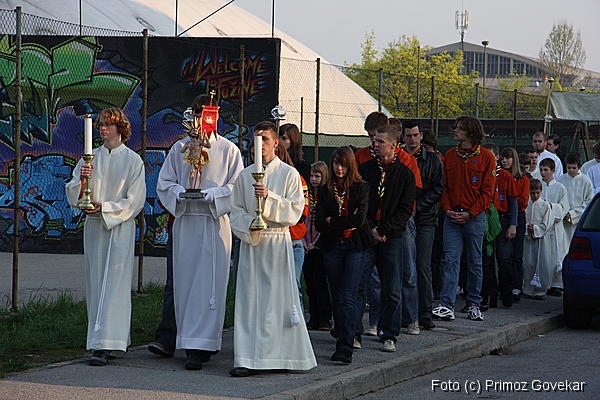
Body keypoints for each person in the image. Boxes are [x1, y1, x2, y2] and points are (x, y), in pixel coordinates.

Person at [156, 94, 244, 370]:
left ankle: (204, 344)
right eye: (197, 113)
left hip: (212, 222)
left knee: (209, 286)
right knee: (185, 283)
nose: (201, 119)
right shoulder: (180, 148)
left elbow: (237, 186)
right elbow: (164, 182)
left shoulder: (228, 150)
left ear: (215, 116)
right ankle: (187, 341)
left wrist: (213, 195)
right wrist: (179, 193)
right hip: (186, 222)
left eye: (206, 113)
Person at [229, 121, 316, 377]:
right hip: (253, 244)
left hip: (278, 242)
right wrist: (250, 224)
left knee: (277, 302)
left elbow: (295, 211)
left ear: (276, 143)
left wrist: (269, 198)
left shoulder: (289, 174)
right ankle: (247, 358)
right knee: (250, 301)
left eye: (265, 139)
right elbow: (235, 211)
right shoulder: (244, 176)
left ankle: (282, 356)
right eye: (256, 139)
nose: (259, 145)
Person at [65, 107, 146, 366]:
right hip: (94, 227)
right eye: (100, 124)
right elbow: (73, 190)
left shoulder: (133, 160)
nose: (102, 129)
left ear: (120, 128)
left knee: (116, 284)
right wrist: (82, 182)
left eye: (108, 125)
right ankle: (98, 341)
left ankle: (113, 341)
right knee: (96, 281)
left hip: (119, 227)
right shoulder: (91, 158)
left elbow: (136, 199)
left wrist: (107, 208)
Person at [432, 116, 496, 322]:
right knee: (450, 260)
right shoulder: (451, 155)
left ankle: (474, 304)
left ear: (470, 132)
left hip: (474, 218)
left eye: (460, 128)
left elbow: (488, 192)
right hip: (452, 216)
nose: (455, 131)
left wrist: (471, 213)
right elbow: (444, 187)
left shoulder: (486, 157)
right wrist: (448, 209)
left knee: (475, 261)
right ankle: (446, 304)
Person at [359, 125, 416, 352]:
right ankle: (354, 333)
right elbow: (360, 204)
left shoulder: (405, 174)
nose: (375, 144)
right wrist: (371, 229)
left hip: (392, 237)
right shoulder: (365, 170)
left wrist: (384, 230)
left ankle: (389, 333)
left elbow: (405, 210)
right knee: (360, 284)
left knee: (392, 287)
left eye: (380, 141)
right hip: (367, 234)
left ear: (394, 145)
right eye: (374, 140)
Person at [315, 146, 372, 364]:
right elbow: (319, 222)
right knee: (337, 295)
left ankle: (346, 345)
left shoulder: (361, 187)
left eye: (344, 165)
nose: (339, 169)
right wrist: (340, 222)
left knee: (348, 295)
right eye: (336, 164)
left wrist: (333, 221)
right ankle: (342, 333)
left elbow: (360, 219)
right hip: (333, 247)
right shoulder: (325, 190)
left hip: (355, 246)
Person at [402, 120, 443, 330]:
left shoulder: (433, 160)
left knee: (422, 265)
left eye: (415, 135)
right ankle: (406, 312)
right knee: (404, 266)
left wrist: (418, 206)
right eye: (409, 135)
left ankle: (425, 312)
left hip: (425, 218)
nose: (412, 139)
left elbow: (438, 188)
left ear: (421, 136)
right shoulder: (400, 157)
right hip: (403, 217)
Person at [303, 161, 333, 331]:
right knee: (310, 283)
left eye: (317, 176)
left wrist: (315, 243)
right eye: (312, 176)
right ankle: (313, 316)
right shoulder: (307, 195)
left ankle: (325, 318)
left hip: (319, 244)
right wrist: (305, 242)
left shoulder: (326, 195)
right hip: (307, 243)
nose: (313, 179)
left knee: (321, 282)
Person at [538, 158, 569, 298]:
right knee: (543, 257)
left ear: (553, 171)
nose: (543, 173)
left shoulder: (560, 188)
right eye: (541, 170)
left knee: (556, 256)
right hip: (542, 228)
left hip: (555, 228)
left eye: (546, 170)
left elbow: (563, 208)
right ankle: (542, 283)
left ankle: (556, 284)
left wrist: (550, 207)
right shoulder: (538, 186)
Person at [493, 147, 520, 308]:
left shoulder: (506, 177)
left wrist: (513, 224)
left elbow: (513, 202)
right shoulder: (484, 174)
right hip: (488, 219)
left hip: (503, 219)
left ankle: (506, 295)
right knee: (487, 260)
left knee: (504, 259)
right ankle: (490, 296)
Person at [522, 179, 553, 299]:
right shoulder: (526, 204)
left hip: (541, 240)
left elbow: (547, 223)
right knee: (527, 263)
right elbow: (522, 219)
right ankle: (527, 289)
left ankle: (540, 290)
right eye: (532, 193)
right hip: (528, 239)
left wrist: (536, 228)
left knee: (541, 264)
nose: (535, 195)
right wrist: (527, 227)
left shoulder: (545, 206)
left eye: (537, 193)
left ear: (541, 191)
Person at [557, 152, 593, 242]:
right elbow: (558, 199)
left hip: (579, 220)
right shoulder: (561, 180)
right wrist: (563, 213)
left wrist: (573, 214)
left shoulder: (585, 181)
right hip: (563, 220)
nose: (571, 170)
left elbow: (588, 202)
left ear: (579, 167)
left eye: (574, 168)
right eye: (569, 168)